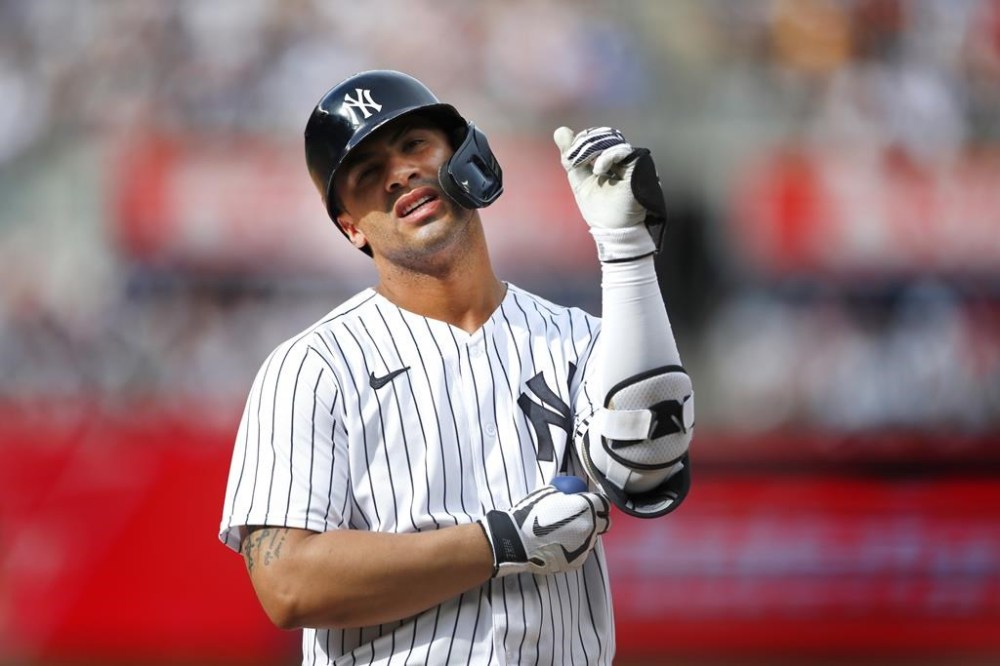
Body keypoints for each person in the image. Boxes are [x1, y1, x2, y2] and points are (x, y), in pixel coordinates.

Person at [218, 70, 694, 665]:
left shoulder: (580, 340)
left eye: (415, 145)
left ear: (466, 154)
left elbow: (650, 467)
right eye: (368, 175)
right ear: (350, 227)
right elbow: (287, 584)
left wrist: (625, 248)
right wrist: (498, 542)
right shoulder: (312, 367)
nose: (400, 174)